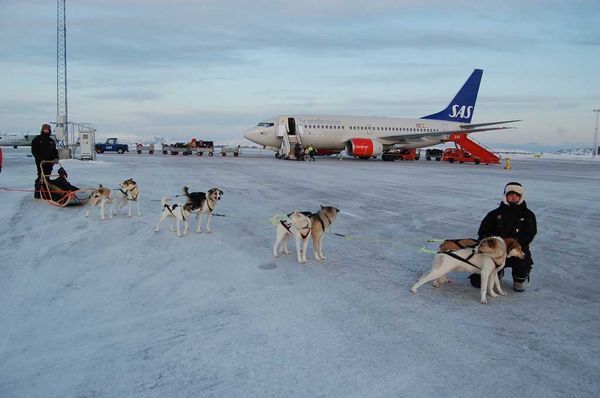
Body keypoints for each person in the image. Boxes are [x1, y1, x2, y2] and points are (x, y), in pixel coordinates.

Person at [469, 182, 537, 292]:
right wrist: (489, 243)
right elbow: (483, 232)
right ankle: (498, 272)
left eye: (516, 195)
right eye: (510, 194)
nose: (513, 197)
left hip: (516, 250)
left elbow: (530, 234)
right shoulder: (495, 214)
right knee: (477, 282)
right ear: (505, 196)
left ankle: (519, 279)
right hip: (496, 252)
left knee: (523, 265)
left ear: (520, 197)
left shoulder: (528, 215)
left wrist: (515, 244)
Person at [31, 123, 59, 199]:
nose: (46, 131)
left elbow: (54, 151)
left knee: (47, 177)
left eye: (48, 129)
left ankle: (46, 193)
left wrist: (56, 158)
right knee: (41, 177)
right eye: (45, 129)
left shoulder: (51, 141)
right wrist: (40, 159)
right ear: (42, 130)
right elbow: (34, 151)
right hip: (41, 162)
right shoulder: (37, 139)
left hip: (50, 162)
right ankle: (37, 194)